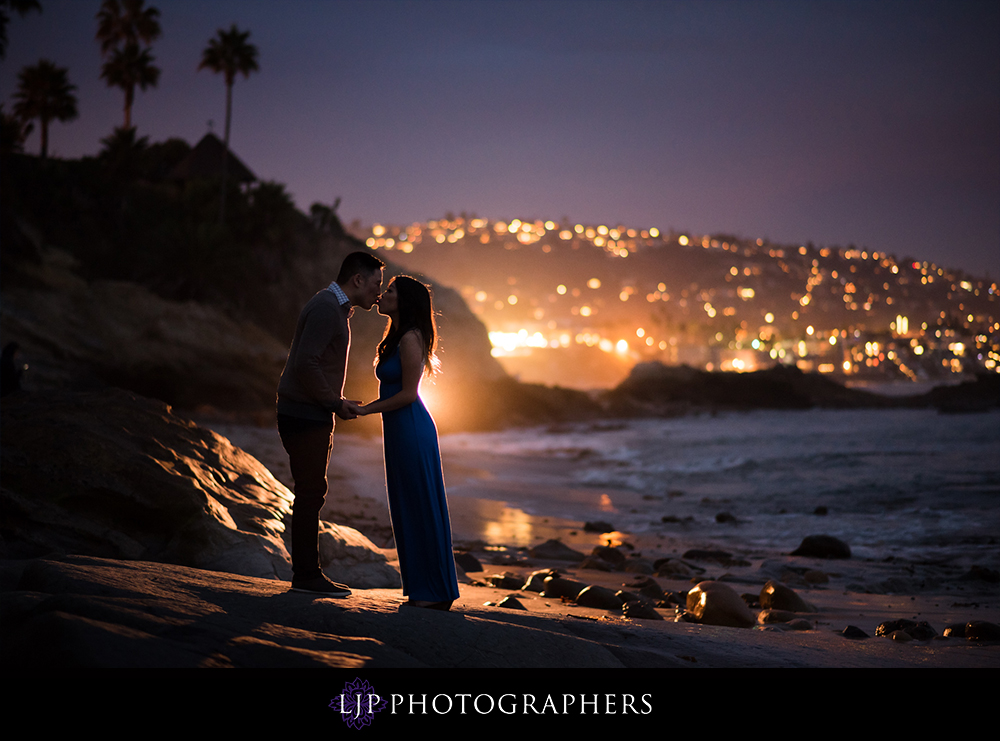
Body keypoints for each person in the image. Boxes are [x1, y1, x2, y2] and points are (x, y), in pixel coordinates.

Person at [276, 251, 384, 595]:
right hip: (304, 414)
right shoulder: (326, 308)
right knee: (310, 493)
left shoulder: (333, 307)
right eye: (376, 284)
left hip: (306, 410)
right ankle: (307, 576)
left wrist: (334, 402)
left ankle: (307, 573)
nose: (378, 293)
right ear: (357, 280)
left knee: (310, 492)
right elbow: (306, 364)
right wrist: (335, 403)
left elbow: (313, 363)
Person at [358, 276, 460, 610]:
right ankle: (425, 588)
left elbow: (407, 394)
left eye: (389, 291)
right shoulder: (396, 337)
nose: (381, 295)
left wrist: (364, 410)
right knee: (407, 505)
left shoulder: (411, 338)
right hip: (400, 431)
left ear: (404, 301)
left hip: (413, 429)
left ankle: (434, 591)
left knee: (419, 504)